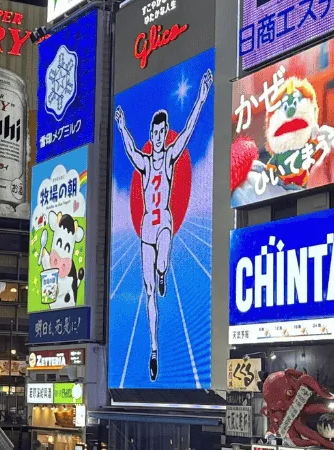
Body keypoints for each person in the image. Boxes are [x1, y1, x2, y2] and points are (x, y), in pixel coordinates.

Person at [114, 68, 213, 382]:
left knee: (163, 261)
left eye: (162, 132)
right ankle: (154, 349)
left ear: (165, 131)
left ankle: (162, 273)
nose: (158, 138)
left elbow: (190, 128)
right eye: (154, 133)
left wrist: (201, 95)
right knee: (147, 293)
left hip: (164, 221)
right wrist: (122, 126)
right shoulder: (144, 163)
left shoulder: (170, 157)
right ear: (151, 134)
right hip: (147, 227)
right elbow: (130, 148)